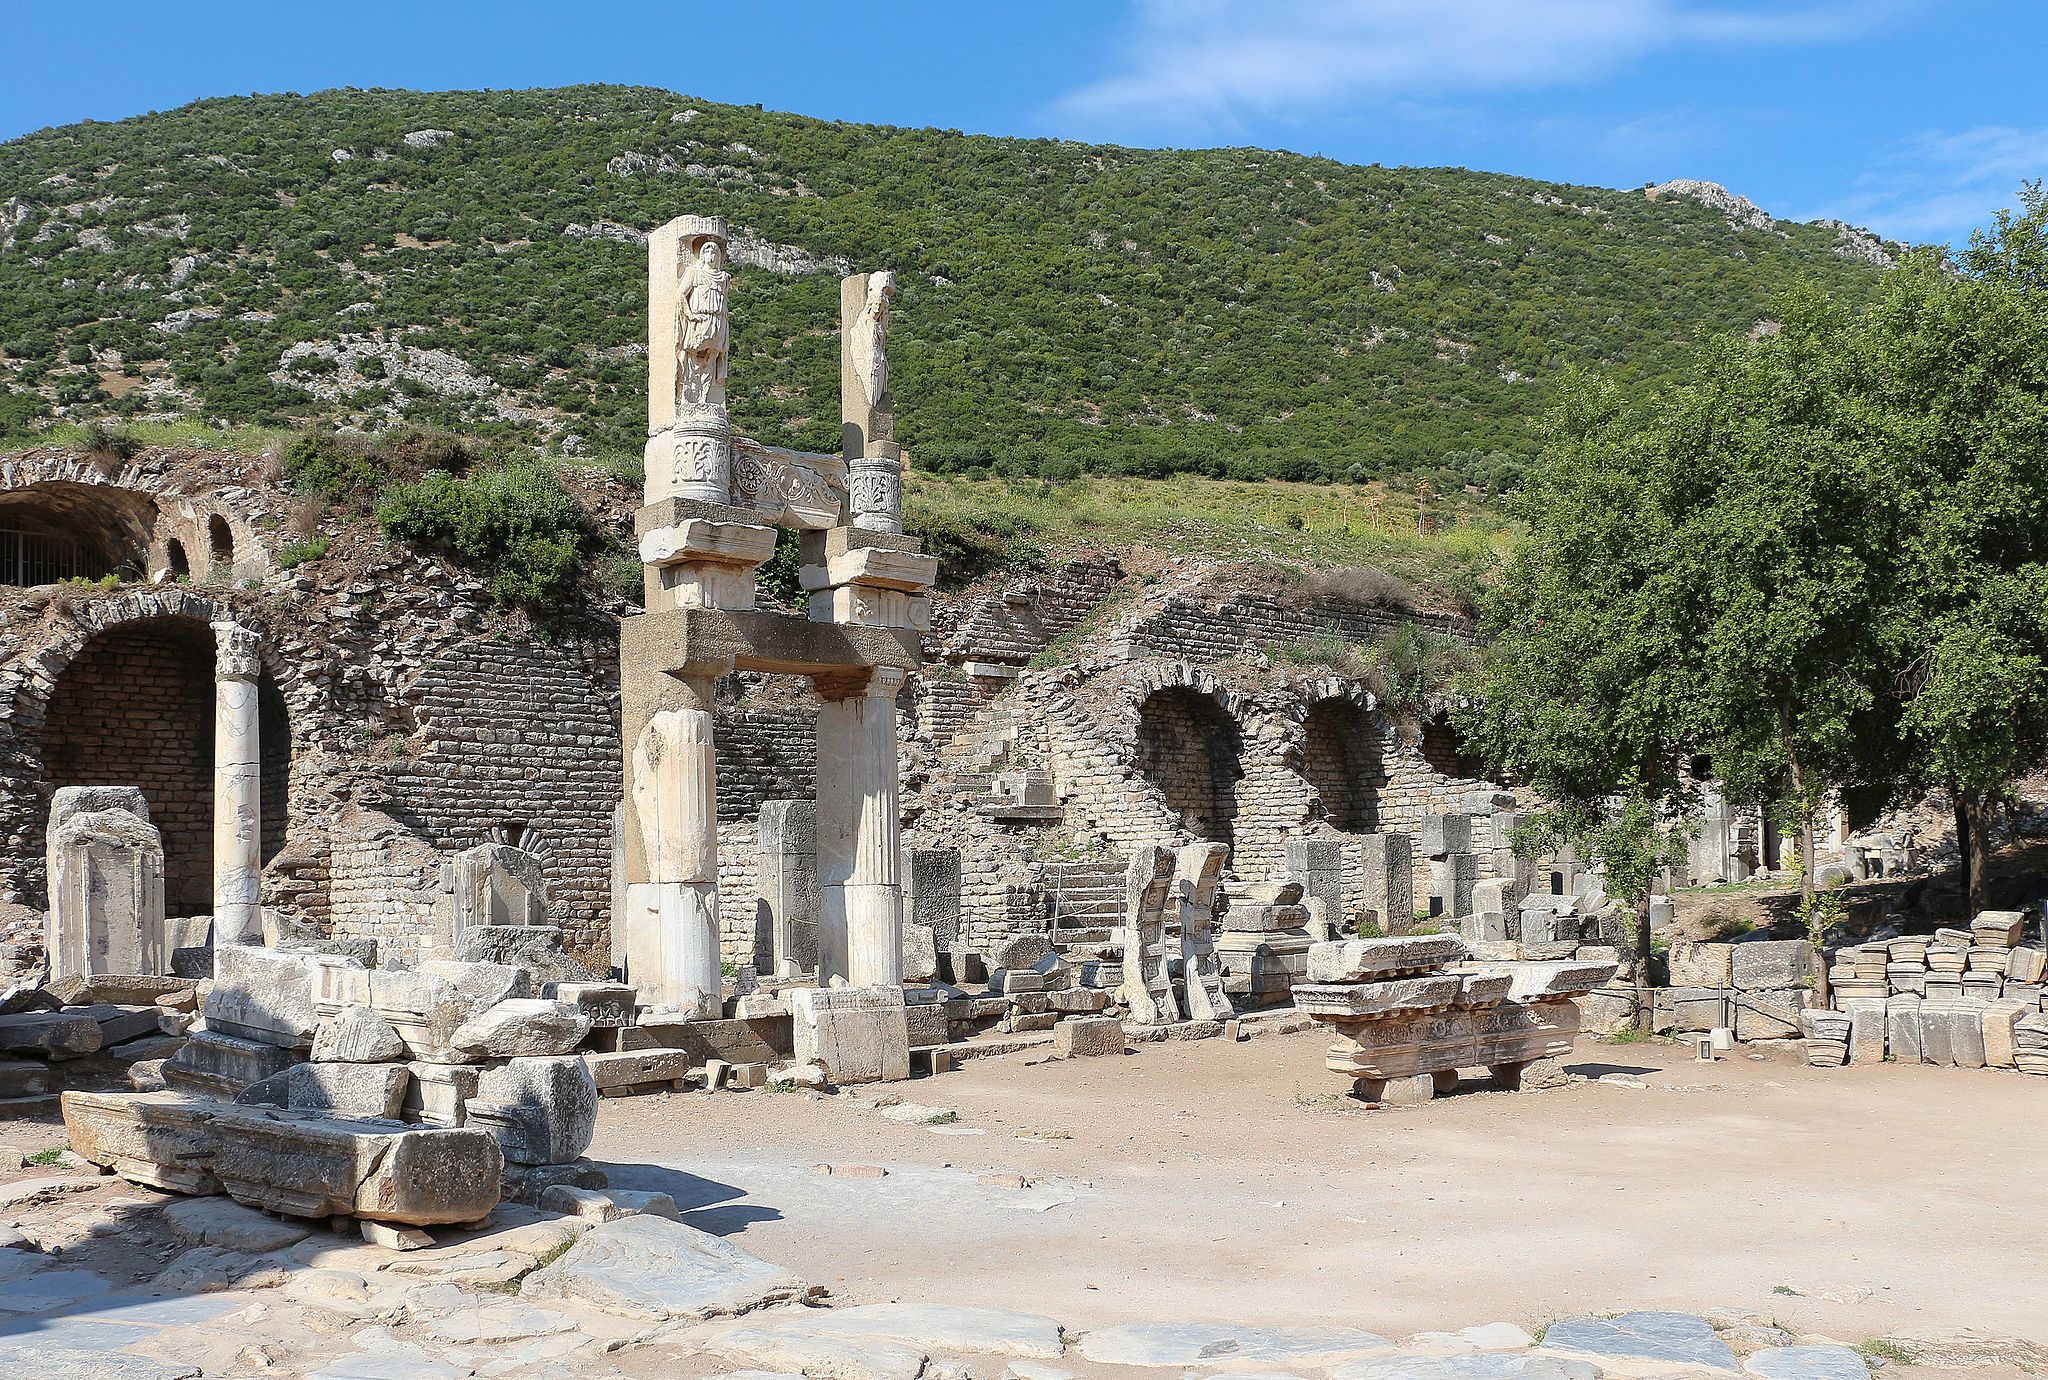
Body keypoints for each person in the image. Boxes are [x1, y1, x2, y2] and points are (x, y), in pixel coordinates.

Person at [676, 235, 730, 407]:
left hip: (718, 320)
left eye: (715, 252)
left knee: (711, 358)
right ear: (702, 255)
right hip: (700, 320)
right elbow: (680, 294)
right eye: (708, 251)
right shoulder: (694, 272)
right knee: (692, 355)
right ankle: (688, 396)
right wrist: (690, 314)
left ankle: (705, 398)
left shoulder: (723, 277)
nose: (712, 255)